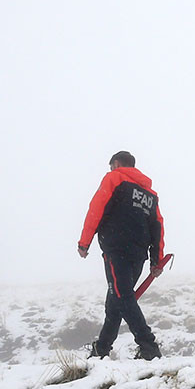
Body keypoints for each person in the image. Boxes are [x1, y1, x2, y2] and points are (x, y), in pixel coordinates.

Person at [77, 152, 166, 360]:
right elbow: (157, 226)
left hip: (116, 248)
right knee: (116, 299)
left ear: (116, 164)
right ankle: (102, 348)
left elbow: (96, 208)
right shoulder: (149, 194)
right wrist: (156, 259)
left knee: (122, 296)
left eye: (111, 166)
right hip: (139, 253)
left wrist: (84, 242)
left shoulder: (114, 178)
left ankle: (148, 346)